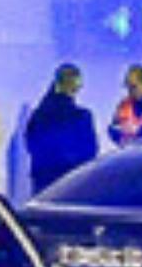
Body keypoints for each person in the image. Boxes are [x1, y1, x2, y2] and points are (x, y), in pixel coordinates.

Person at [24, 63, 99, 193]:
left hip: (43, 184)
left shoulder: (39, 115)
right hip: (72, 184)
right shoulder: (81, 117)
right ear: (76, 86)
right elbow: (90, 151)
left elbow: (31, 144)